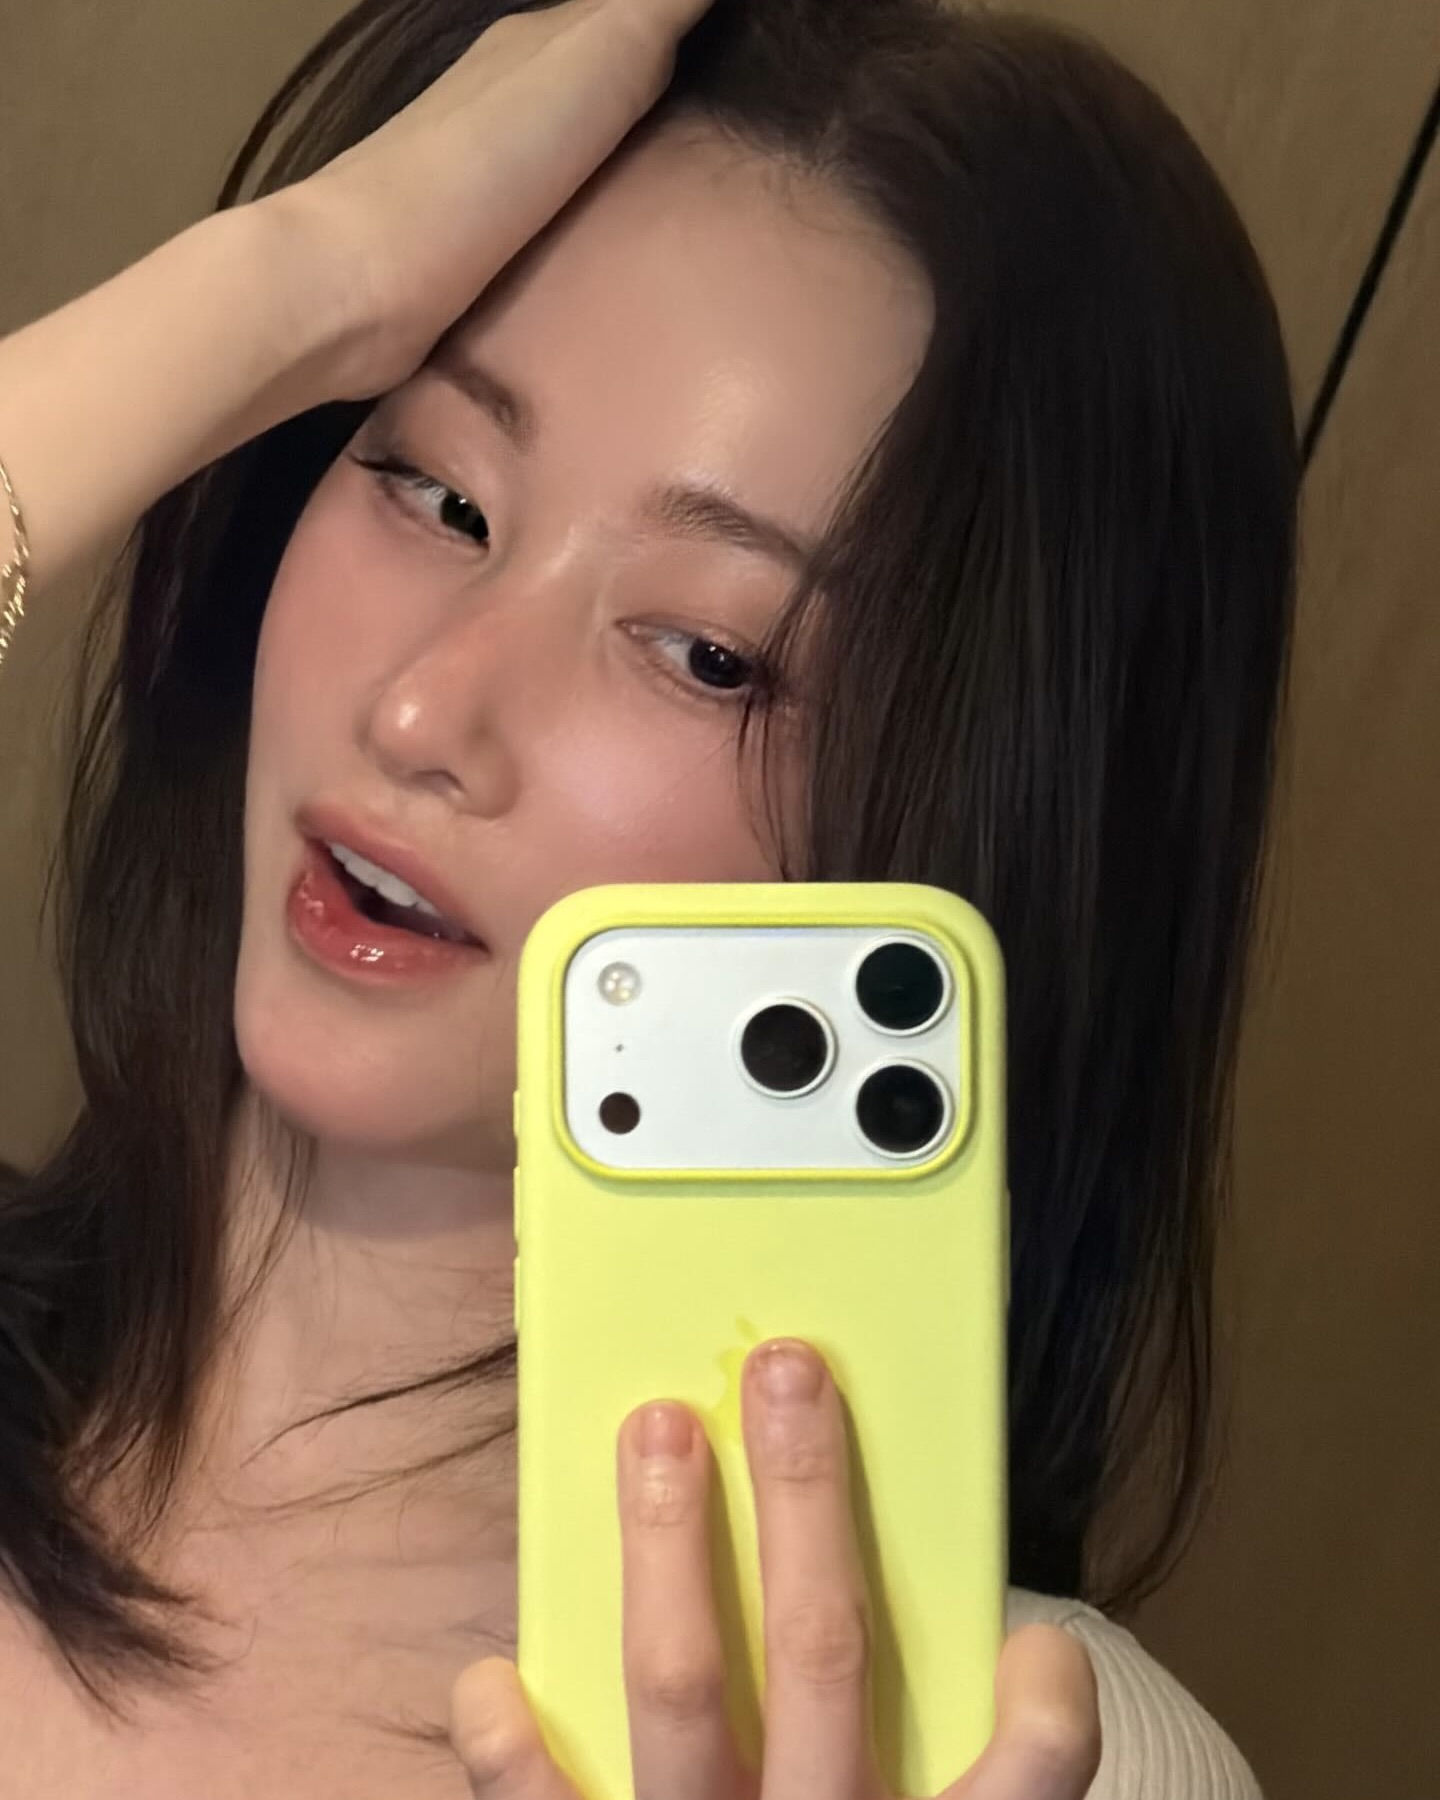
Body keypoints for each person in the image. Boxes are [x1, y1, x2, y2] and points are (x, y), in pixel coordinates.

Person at [0, 0, 1297, 1793]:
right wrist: (296, 277)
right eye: (435, 491)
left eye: (706, 653)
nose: (422, 712)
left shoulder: (1028, 1753)